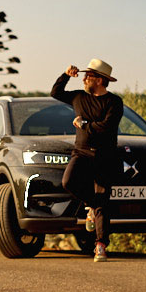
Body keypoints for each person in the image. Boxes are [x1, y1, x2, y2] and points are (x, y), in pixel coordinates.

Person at [51, 58, 123, 262]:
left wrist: (83, 124)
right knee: (68, 182)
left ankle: (100, 245)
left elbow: (106, 128)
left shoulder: (114, 102)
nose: (83, 79)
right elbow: (55, 93)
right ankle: (92, 206)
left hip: (105, 156)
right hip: (81, 153)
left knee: (103, 202)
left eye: (88, 76)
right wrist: (66, 75)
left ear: (99, 80)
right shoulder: (78, 97)